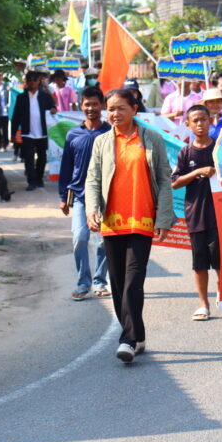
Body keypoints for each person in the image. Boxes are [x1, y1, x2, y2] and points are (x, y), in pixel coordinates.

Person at [85, 88, 175, 364]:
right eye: (110, 109)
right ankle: (138, 333)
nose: (114, 113)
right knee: (118, 283)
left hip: (142, 220)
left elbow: (164, 178)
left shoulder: (151, 138)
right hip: (112, 222)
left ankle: (128, 339)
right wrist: (92, 209)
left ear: (134, 109)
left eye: (121, 108)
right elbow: (93, 179)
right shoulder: (101, 142)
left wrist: (164, 217)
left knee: (133, 282)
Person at [59, 86, 111, 301]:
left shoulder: (111, 133)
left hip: (106, 196)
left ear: (102, 106)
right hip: (80, 196)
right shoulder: (73, 134)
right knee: (80, 238)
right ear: (81, 106)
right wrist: (63, 197)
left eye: (95, 104)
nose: (91, 108)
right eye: (87, 104)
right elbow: (66, 168)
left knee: (104, 241)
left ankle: (100, 281)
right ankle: (83, 283)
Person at [171, 104, 220, 321]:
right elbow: (175, 182)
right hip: (196, 214)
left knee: (220, 260)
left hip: (219, 214)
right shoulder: (186, 152)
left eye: (204, 119)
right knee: (199, 263)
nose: (200, 124)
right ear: (188, 124)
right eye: (195, 121)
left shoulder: (219, 148)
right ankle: (203, 304)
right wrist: (198, 171)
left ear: (211, 121)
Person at [12, 70, 57, 191]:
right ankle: (31, 181)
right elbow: (16, 116)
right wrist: (13, 133)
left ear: (39, 82)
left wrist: (53, 109)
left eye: (35, 80)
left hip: (42, 132)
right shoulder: (21, 97)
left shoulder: (45, 96)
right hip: (27, 132)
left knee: (42, 157)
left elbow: (53, 106)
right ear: (26, 82)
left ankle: (39, 178)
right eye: (29, 80)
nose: (32, 82)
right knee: (28, 157)